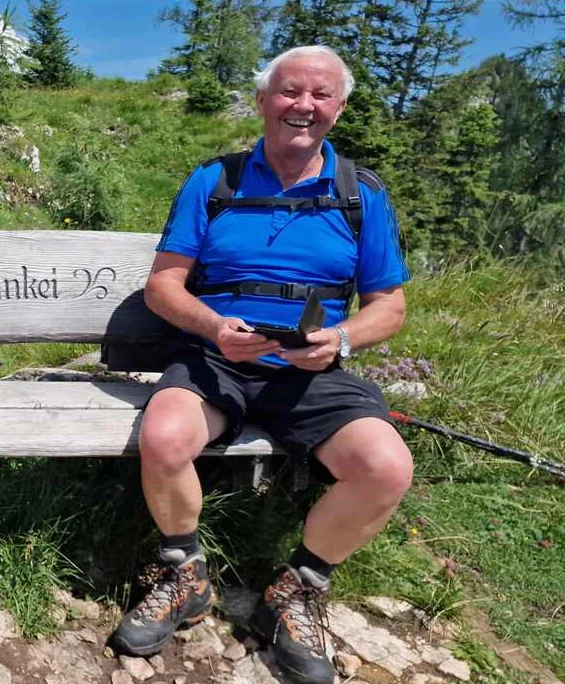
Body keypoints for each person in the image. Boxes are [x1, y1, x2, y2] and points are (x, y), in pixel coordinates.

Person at [111, 45, 412, 684]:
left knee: (385, 467)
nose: (303, 106)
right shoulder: (213, 180)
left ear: (339, 106)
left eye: (320, 95)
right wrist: (214, 327)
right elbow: (164, 285)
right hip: (217, 358)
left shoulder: (363, 194)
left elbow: (389, 306)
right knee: (164, 437)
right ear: (262, 100)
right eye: (289, 92)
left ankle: (295, 591)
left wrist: (342, 340)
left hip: (313, 370)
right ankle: (184, 574)